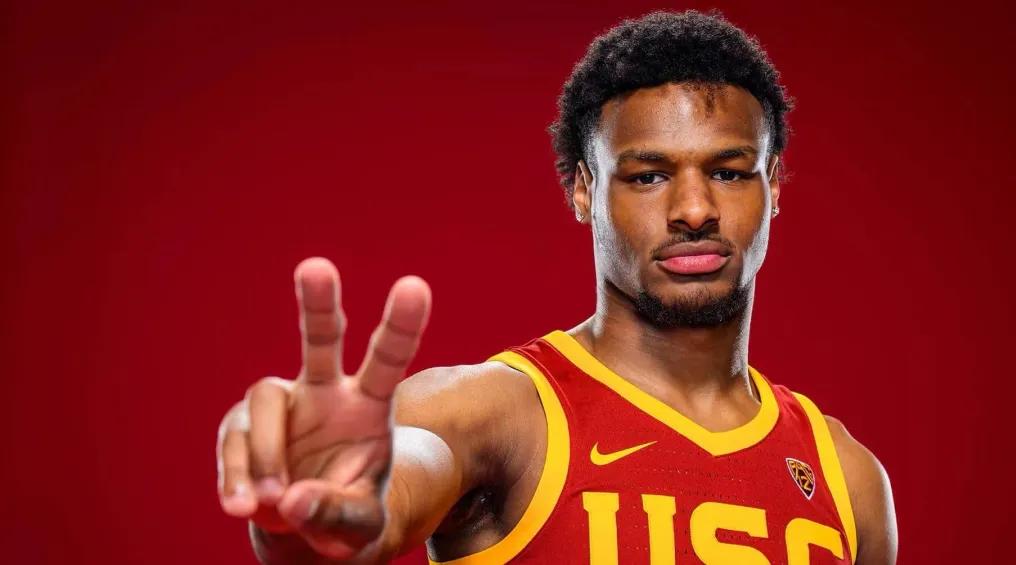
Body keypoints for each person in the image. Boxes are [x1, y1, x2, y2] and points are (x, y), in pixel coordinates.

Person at [215, 10, 897, 564]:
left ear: (772, 183)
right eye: (648, 176)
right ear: (583, 189)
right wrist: (325, 496)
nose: (694, 210)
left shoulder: (847, 479)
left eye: (727, 171)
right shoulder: (502, 413)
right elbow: (382, 489)